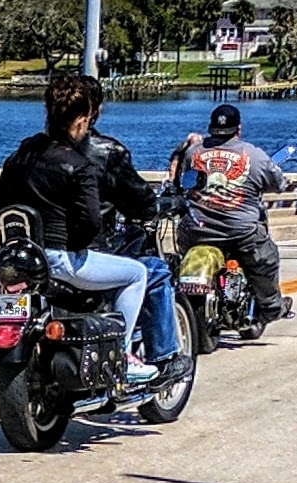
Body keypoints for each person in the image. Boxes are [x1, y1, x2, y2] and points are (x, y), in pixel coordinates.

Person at [0, 72, 158, 384]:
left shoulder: (19, 156)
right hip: (60, 260)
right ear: (81, 120)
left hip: (12, 259)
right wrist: (74, 245)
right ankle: (124, 356)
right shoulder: (79, 167)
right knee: (138, 274)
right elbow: (90, 223)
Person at [81, 81, 192, 385]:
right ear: (95, 111)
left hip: (39, 254)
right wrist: (161, 206)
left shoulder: (33, 150)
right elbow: (140, 200)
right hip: (89, 254)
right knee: (153, 271)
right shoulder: (107, 152)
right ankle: (162, 357)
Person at [179, 103, 294, 327]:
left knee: (178, 257)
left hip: (197, 230)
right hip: (240, 231)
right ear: (238, 129)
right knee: (266, 259)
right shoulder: (255, 156)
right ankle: (271, 306)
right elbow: (278, 183)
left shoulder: (193, 152)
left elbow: (182, 182)